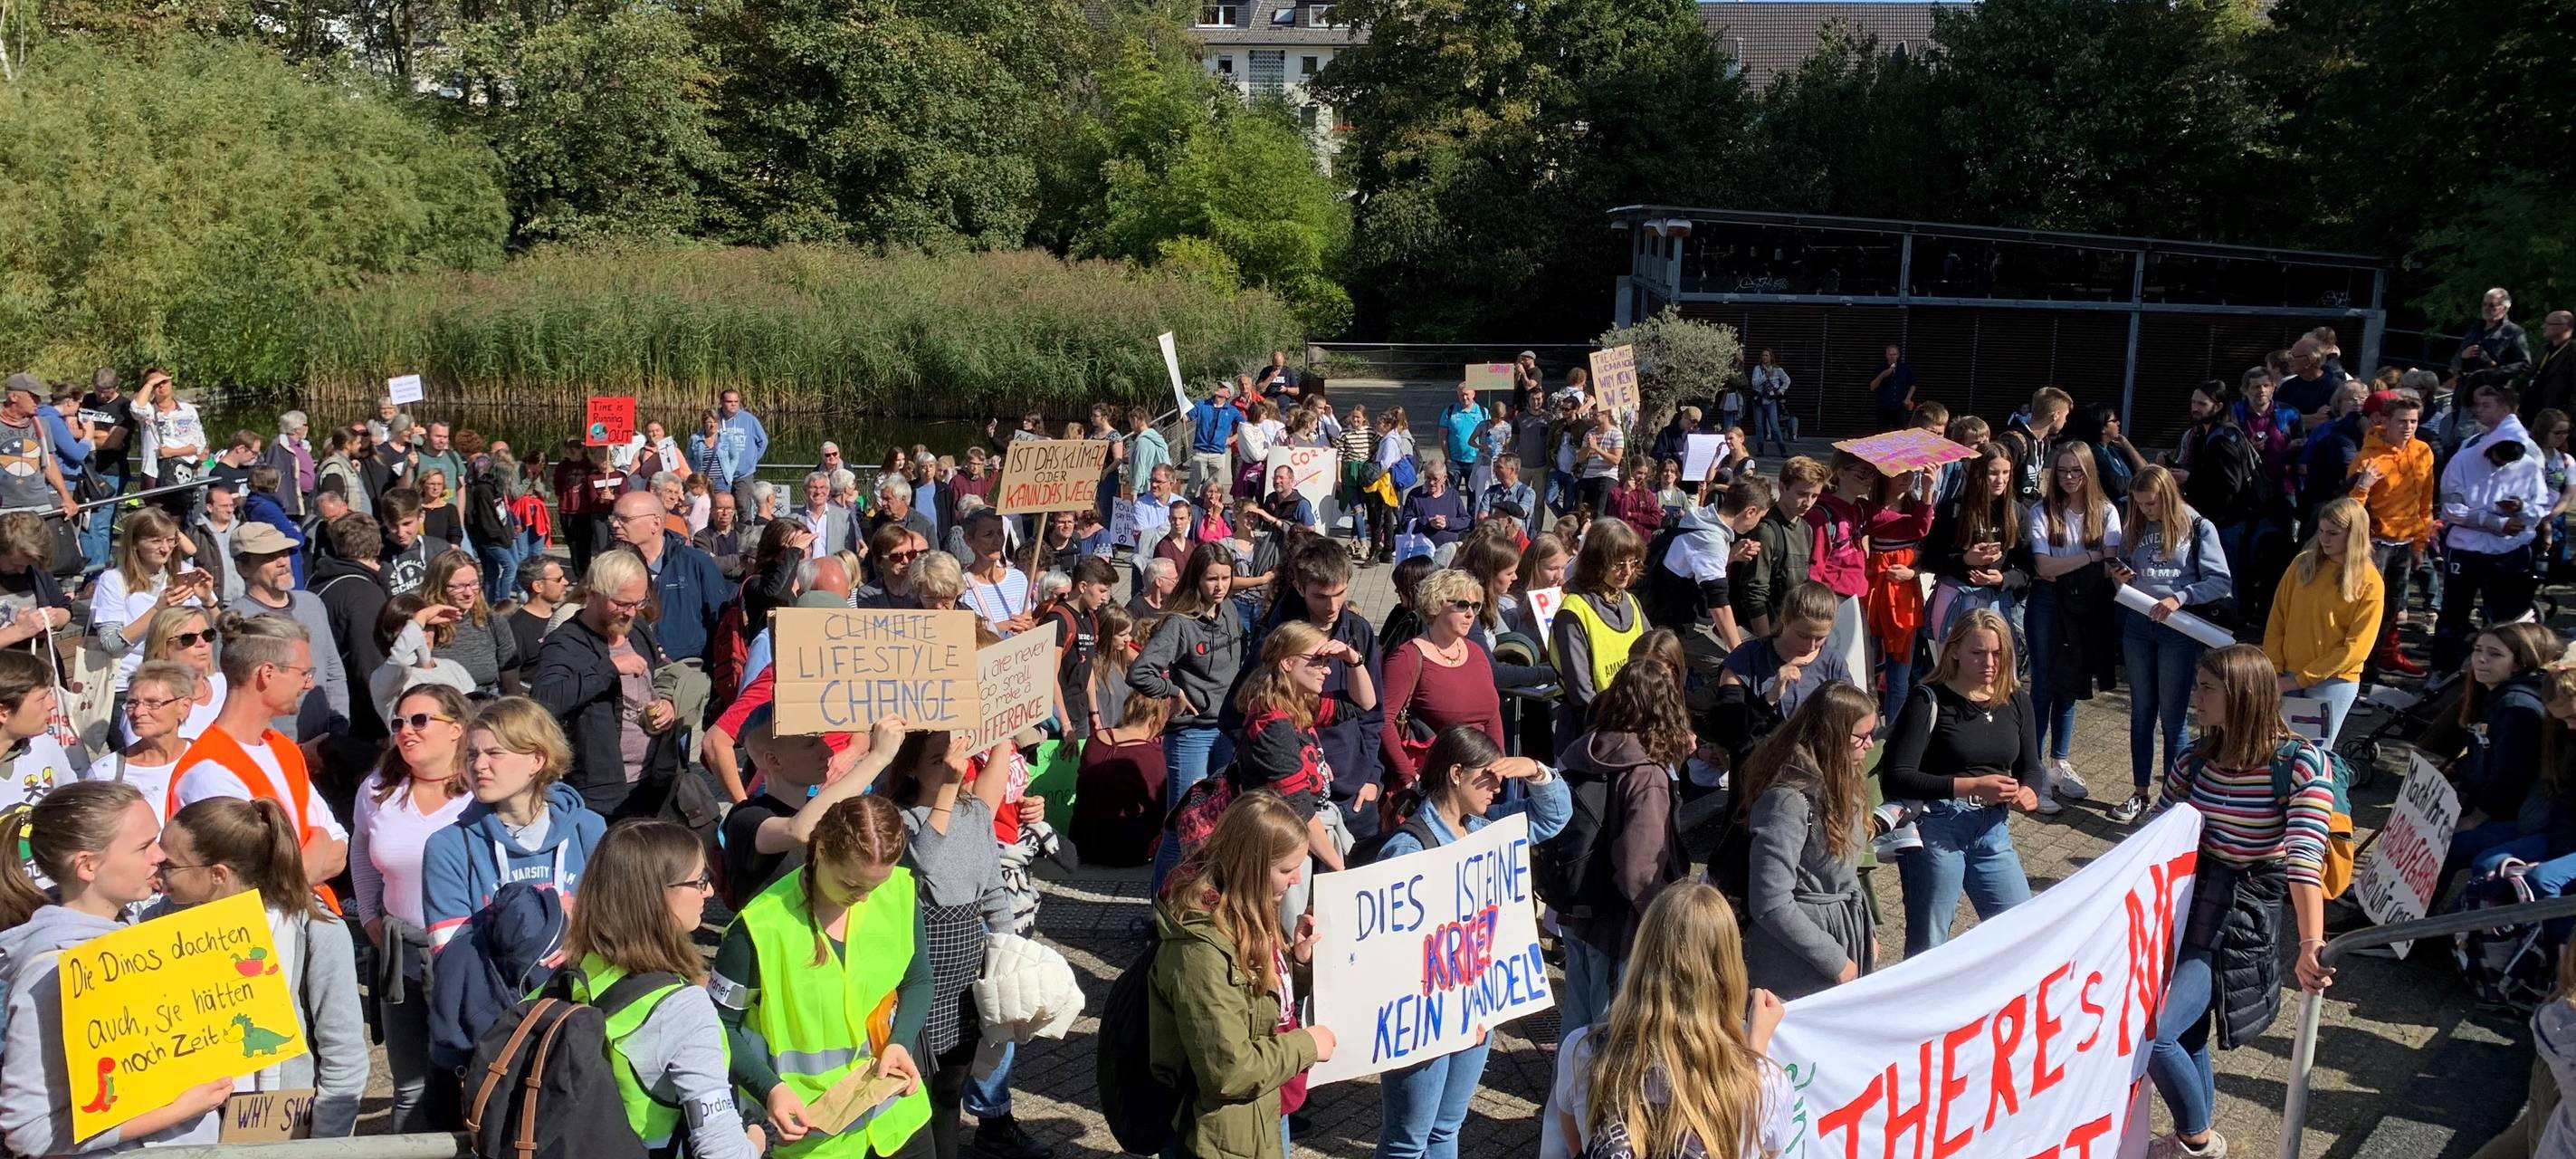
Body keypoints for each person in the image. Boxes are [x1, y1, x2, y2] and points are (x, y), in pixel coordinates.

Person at [2146, 643, 2340, 1159]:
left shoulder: (2301, 764)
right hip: (2188, 910)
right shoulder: (2195, 757)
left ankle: (2195, 1141)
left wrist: (2311, 943)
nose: (2195, 697)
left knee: (2156, 1035)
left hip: (2240, 919)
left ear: (2244, 696)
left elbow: (2304, 860)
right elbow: (2155, 834)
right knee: (2184, 1036)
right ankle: (2203, 1138)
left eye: (2207, 688)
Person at [0, 782, 240, 1154]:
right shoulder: (51, 969)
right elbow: (29, 1131)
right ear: (87, 865)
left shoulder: (136, 940)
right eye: (144, 846)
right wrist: (177, 1110)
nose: (160, 855)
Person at [1369, 725, 1569, 1159]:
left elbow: (1553, 817)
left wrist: (1537, 771)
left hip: (1475, 1010)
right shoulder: (1409, 848)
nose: (1498, 788)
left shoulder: (1484, 829)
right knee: (1407, 1141)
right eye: (1489, 776)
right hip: (1424, 1019)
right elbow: (1384, 950)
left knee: (1446, 1128)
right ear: (1456, 773)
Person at [715, 792, 934, 1159]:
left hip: (897, 1119)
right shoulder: (758, 928)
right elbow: (720, 1025)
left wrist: (901, 1041)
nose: (864, 898)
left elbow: (918, 979)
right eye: (851, 885)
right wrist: (770, 1089)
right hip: (814, 1136)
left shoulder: (898, 892)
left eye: (873, 886)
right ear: (818, 853)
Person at [157, 796, 368, 1138]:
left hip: (277, 1128)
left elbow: (342, 1055)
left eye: (169, 865)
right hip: (185, 1132)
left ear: (218, 874)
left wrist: (325, 1146)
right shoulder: (157, 926)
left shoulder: (315, 931)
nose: (157, 869)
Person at [556, 820, 764, 1159]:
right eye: (699, 882)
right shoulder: (683, 1008)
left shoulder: (569, 976)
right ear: (656, 896)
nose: (709, 892)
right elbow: (723, 1153)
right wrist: (755, 1141)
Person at [1542, 882, 1792, 1159]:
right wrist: (1757, 1051)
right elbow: (1762, 1151)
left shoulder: (1582, 1051)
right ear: (1729, 968)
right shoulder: (1768, 1082)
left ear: (1641, 955)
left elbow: (1577, 1145)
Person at [1150, 791, 1334, 1159]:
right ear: (1250, 864)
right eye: (1286, 870)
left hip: (1264, 1107)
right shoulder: (1200, 951)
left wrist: (1296, 962)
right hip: (1220, 1131)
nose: (1297, 880)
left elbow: (1264, 1006)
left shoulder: (1251, 910)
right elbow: (1229, 1070)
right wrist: (1308, 1045)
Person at [875, 730, 1019, 1159]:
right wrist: (951, 789)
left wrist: (1007, 953)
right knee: (916, 1079)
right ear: (911, 768)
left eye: (954, 757)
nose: (951, 767)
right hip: (922, 959)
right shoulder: (898, 818)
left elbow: (994, 889)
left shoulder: (974, 812)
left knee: (953, 1082)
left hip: (965, 959)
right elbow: (926, 863)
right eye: (938, 761)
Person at [1877, 609, 2043, 956]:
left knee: (2022, 930)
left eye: (1998, 654)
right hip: (1937, 829)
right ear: (1953, 651)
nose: (1989, 663)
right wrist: (1970, 786)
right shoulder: (1928, 699)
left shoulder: (2017, 700)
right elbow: (1898, 775)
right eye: (1978, 653)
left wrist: (2029, 792)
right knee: (1930, 944)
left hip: (1993, 830)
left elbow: (2031, 767)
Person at [350, 685, 473, 1131]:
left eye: (421, 720)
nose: (406, 731)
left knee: (468, 1074)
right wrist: (368, 915)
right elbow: (361, 851)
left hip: (465, 956)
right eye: (399, 723)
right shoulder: (379, 788)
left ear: (457, 729)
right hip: (400, 951)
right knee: (409, 1085)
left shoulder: (479, 792)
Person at [1552, 656, 1694, 1037]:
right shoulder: (1647, 775)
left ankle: (1564, 1096)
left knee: (1577, 1022)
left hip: (1578, 907)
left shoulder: (1590, 746)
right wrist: (1660, 919)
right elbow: (1638, 870)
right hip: (1620, 924)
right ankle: (1593, 1098)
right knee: (1608, 1030)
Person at [168, 614, 348, 891]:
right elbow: (267, 883)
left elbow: (339, 847)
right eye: (304, 673)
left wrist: (319, 843)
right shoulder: (208, 770)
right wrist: (320, 839)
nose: (309, 685)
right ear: (267, 673)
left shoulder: (283, 748)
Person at [422, 696, 605, 954]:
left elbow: (620, 924)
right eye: (472, 755)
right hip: (499, 990)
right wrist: (544, 925)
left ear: (537, 760)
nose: (478, 765)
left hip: (583, 983)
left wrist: (582, 937)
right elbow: (451, 953)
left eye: (494, 753)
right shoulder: (447, 846)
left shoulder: (588, 829)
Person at [1731, 682, 1877, 1000]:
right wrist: (1833, 959)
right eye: (1861, 737)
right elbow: (1770, 902)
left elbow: (1846, 870)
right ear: (1832, 736)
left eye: (1872, 735)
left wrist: (1867, 933)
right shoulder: (1787, 802)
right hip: (1796, 961)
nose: (1869, 746)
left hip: (1844, 937)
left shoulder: (1844, 779)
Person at [2104, 465, 2232, 824]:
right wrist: (2122, 573)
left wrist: (2181, 596)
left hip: (2177, 627)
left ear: (2168, 496)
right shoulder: (2136, 524)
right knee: (2141, 712)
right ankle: (2140, 793)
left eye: (2151, 504)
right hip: (2138, 622)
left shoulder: (2198, 526)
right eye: (2140, 505)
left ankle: (2174, 799)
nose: (2145, 511)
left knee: (2173, 717)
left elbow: (2220, 580)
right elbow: (2128, 563)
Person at [530, 551, 682, 819]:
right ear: (593, 594)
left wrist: (668, 703)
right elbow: (543, 700)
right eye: (622, 604)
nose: (632, 612)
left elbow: (662, 675)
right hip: (603, 793)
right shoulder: (565, 643)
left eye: (639, 602)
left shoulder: (637, 630)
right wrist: (610, 668)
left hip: (655, 778)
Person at [2024, 441, 2120, 811]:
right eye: (2061, 470)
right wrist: (2092, 555)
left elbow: (2111, 564)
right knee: (2044, 684)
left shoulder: (2106, 511)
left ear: (2088, 472)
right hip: (2047, 602)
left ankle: (2059, 764)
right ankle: (2032, 772)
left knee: (2071, 683)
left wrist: (2086, 561)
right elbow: (2044, 568)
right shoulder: (2041, 511)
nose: (2067, 478)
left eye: (2075, 471)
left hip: (2085, 603)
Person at [2437, 382, 2554, 672]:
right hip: (2467, 552)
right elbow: (2452, 509)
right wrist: (2496, 522)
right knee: (2454, 615)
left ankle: (2507, 673)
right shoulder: (2466, 456)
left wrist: (2522, 510)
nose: (2501, 465)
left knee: (2508, 619)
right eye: (2497, 458)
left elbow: (2540, 505)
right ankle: (2444, 670)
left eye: (2486, 404)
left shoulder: (2529, 460)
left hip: (2510, 553)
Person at [1131, 541, 1247, 827]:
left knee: (1221, 820)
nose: (1219, 586)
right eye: (1211, 579)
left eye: (1225, 578)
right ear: (1196, 578)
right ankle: (1169, 872)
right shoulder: (1179, 624)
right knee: (1184, 823)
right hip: (1191, 734)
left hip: (1227, 731)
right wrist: (1174, 692)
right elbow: (1139, 672)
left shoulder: (1230, 610)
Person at [2439, 623, 2560, 890]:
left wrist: (2476, 818)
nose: (2481, 659)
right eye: (2477, 650)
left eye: (2495, 654)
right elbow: (2488, 752)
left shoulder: (2517, 707)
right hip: (2494, 804)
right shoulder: (2495, 695)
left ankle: (2412, 922)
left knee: (2446, 843)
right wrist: (2459, 769)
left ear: (2519, 663)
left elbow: (2511, 777)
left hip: (2516, 816)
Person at [2263, 498, 2383, 747]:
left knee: (2312, 757)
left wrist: (2298, 680)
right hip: (2286, 673)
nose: (2325, 539)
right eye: (2321, 531)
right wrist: (2274, 668)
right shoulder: (2302, 564)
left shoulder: (2370, 581)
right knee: (2276, 750)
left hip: (2334, 681)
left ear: (2354, 535)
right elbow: (2277, 620)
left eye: (2333, 533)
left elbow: (2356, 649)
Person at [1379, 568, 1504, 803]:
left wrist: (1499, 766)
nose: (1470, 614)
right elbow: (1384, 720)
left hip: (1480, 783)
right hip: (1434, 785)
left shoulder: (1476, 653)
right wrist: (1408, 775)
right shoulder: (1407, 657)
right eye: (1462, 605)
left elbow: (1492, 714)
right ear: (1436, 605)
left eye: (1475, 607)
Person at [2349, 391, 2436, 676]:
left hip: (2406, 541)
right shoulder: (2368, 456)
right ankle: (2360, 668)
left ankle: (2386, 657)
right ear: (2385, 422)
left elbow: (2426, 502)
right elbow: (2349, 509)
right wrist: (2363, 485)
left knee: (2394, 607)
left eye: (2413, 421)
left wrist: (2420, 545)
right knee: (2366, 607)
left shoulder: (2423, 451)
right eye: (2402, 421)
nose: (2408, 427)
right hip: (2375, 543)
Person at [91, 505, 211, 696]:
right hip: (130, 686)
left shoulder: (184, 571)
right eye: (156, 541)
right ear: (135, 543)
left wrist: (207, 601)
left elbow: (212, 633)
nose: (165, 549)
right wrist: (157, 610)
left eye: (170, 541)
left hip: (181, 682)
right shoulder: (113, 580)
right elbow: (111, 644)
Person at [1550, 519, 1646, 745]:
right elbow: (1582, 692)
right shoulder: (1573, 611)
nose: (1627, 572)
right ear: (1596, 562)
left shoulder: (1631, 602)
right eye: (1619, 564)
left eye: (1633, 563)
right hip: (1590, 734)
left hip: (1632, 727)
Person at [610, 491, 727, 666]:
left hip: (687, 672)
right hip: (626, 673)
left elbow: (721, 622)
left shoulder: (696, 564)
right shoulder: (606, 567)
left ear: (655, 523)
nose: (614, 525)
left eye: (624, 519)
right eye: (613, 518)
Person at [314, 512, 395, 742]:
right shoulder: (363, 592)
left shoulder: (319, 578)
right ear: (377, 545)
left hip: (324, 695)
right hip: (358, 711)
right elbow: (370, 663)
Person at [1731, 456, 1821, 637]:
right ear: (1782, 488)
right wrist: (1765, 643)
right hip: (1758, 632)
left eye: (1814, 496)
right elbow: (1754, 593)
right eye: (1802, 494)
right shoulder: (1766, 530)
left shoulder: (1806, 530)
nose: (1808, 502)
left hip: (1788, 631)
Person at [96, 658, 196, 820]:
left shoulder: (209, 759)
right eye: (132, 703)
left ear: (184, 707)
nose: (138, 712)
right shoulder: (106, 774)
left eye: (152, 703)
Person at [421, 549, 521, 698]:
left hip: (487, 705)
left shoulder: (494, 622)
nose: (468, 593)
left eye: (474, 584)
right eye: (458, 586)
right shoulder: (424, 626)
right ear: (439, 587)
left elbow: (511, 682)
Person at [132, 369, 206, 518]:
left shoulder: (188, 410)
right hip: (154, 473)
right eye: (156, 384)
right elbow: (136, 408)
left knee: (182, 519)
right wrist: (149, 383)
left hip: (183, 472)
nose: (161, 386)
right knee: (157, 520)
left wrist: (173, 452)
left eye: (164, 381)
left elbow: (199, 444)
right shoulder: (148, 411)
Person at [959, 510, 1035, 637]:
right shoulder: (960, 584)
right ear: (969, 540)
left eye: (1000, 533)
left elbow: (1029, 621)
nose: (997, 541)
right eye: (988, 535)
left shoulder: (1018, 578)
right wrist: (1001, 627)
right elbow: (962, 633)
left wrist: (1028, 626)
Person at [2456, 286, 2534, 391]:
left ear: (2505, 309)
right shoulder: (2475, 328)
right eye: (2484, 304)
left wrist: (2493, 368)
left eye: (2492, 305)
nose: (2486, 308)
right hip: (2465, 391)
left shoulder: (2514, 331)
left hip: (2492, 392)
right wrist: (2463, 356)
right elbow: (2458, 356)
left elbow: (2524, 364)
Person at [714, 388, 771, 512]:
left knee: (743, 507)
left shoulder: (749, 419)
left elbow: (763, 441)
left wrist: (752, 460)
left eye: (736, 401)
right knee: (722, 507)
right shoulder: (714, 419)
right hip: (720, 474)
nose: (733, 404)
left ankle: (745, 530)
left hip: (744, 474)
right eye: (729, 401)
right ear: (722, 402)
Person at [508, 554, 568, 663]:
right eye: (558, 579)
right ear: (538, 586)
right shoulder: (517, 628)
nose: (566, 582)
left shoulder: (563, 617)